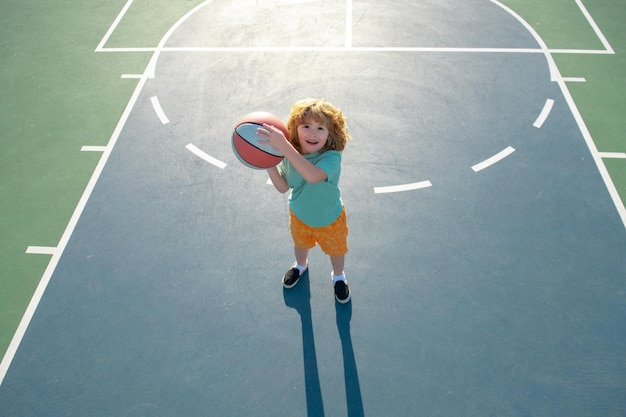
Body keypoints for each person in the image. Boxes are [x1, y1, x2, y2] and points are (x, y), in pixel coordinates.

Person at [258, 98, 352, 304]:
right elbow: (283, 187)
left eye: (320, 128)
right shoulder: (288, 155)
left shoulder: (331, 157)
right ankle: (301, 265)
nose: (312, 133)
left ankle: (338, 277)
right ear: (295, 129)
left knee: (336, 251)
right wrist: (267, 162)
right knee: (300, 245)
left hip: (330, 218)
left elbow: (312, 176)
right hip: (300, 214)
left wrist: (283, 145)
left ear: (330, 134)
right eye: (306, 126)